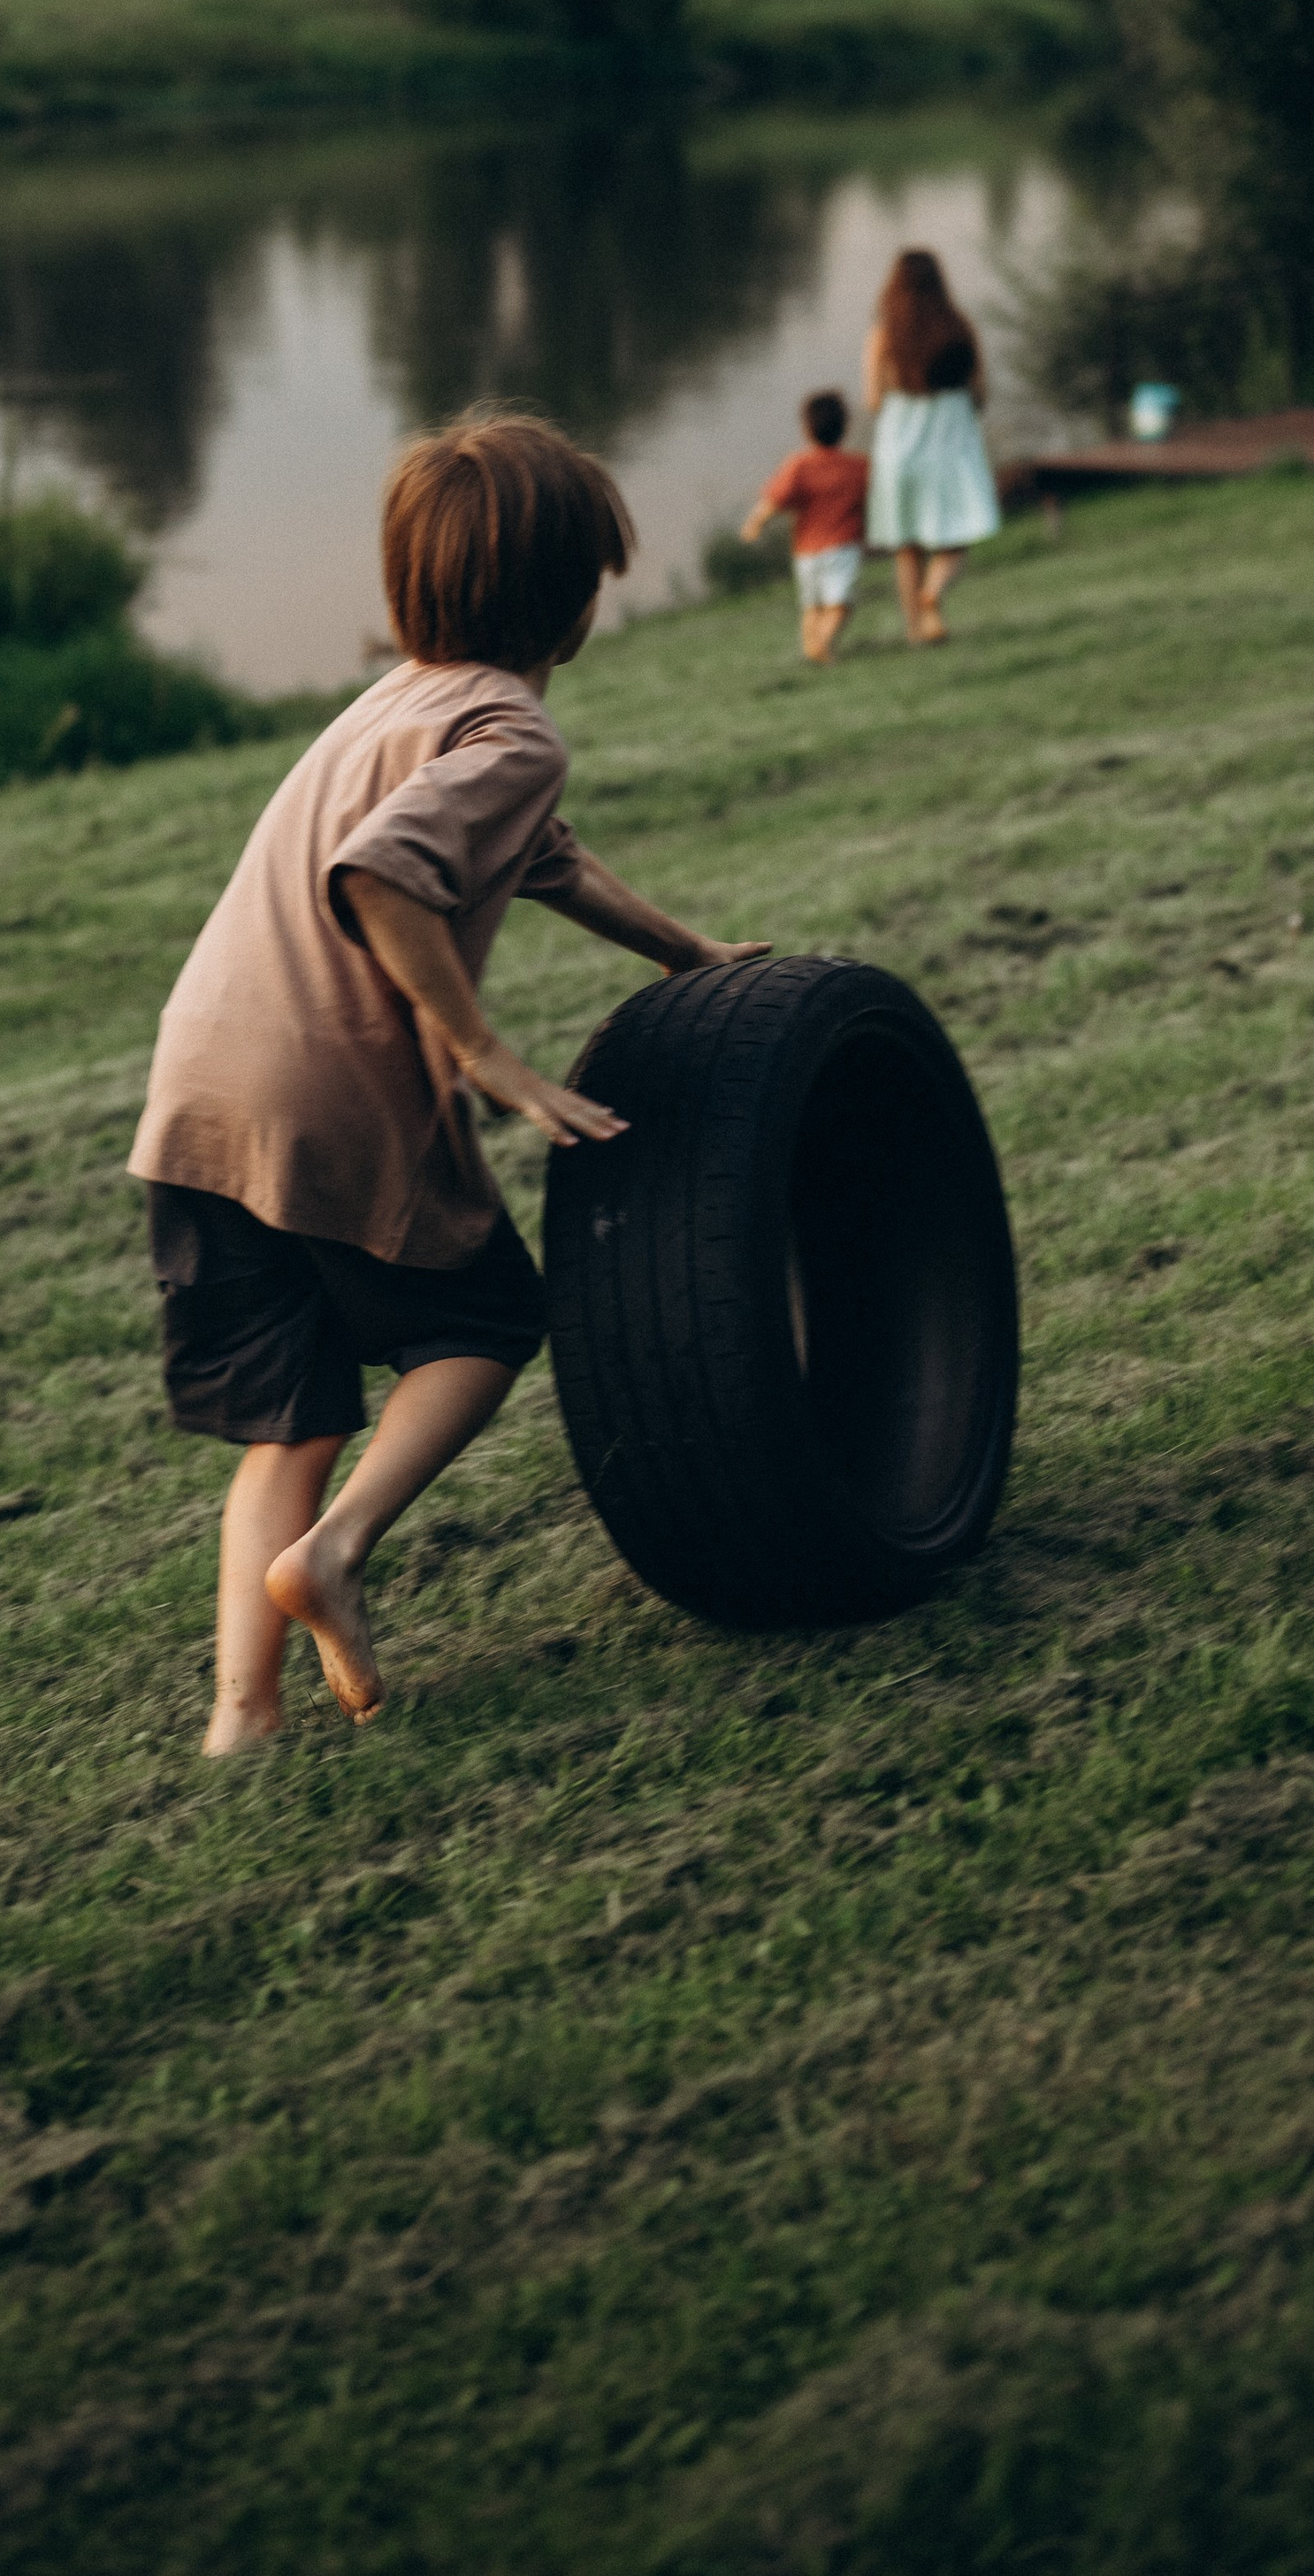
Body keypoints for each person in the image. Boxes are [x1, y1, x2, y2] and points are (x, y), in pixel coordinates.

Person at [129, 410, 766, 1751]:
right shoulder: (516, 731)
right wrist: (483, 1048)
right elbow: (378, 874)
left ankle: (240, 1717)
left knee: (287, 1416)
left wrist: (685, 951)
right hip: (330, 1086)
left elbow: (544, 857)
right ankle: (339, 1548)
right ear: (574, 598)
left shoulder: (393, 700)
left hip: (197, 1086)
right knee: (482, 1325)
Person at [864, 248, 1000, 645]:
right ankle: (932, 595)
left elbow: (873, 399)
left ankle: (914, 631)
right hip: (951, 440)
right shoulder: (960, 328)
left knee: (906, 545)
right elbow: (980, 395)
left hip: (899, 445)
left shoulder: (884, 333)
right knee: (962, 530)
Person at [738, 387, 872, 665]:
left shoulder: (798, 466)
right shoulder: (858, 467)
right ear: (845, 428)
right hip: (843, 547)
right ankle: (822, 644)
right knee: (840, 605)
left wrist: (755, 524)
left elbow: (773, 500)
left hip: (806, 552)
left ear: (806, 430)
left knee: (811, 605)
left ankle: (813, 647)